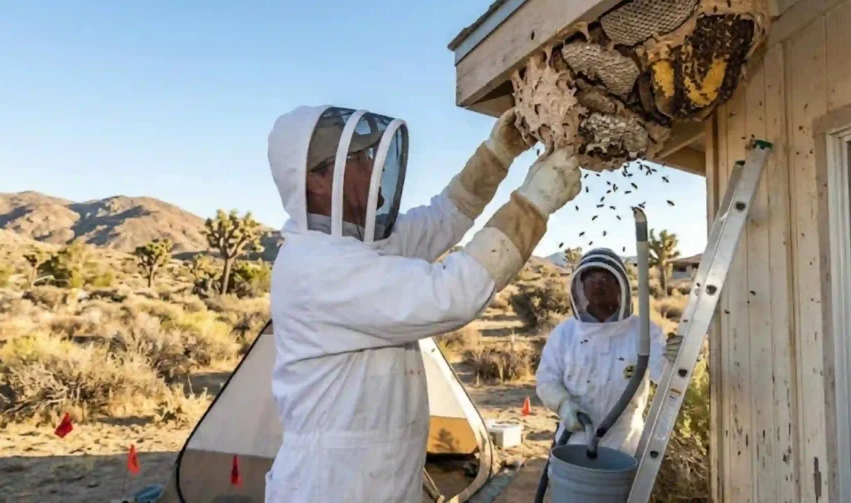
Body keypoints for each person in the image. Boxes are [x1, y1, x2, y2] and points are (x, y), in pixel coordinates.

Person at [264, 105, 582, 502]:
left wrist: (497, 154)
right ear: (317, 180)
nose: (373, 166)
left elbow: (442, 217)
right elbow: (452, 293)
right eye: (359, 158)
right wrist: (534, 204)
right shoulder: (317, 266)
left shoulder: (358, 244)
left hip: (378, 480)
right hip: (333, 487)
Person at [535, 248, 684, 456]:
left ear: (619, 285)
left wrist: (677, 360)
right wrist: (564, 405)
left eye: (605, 278)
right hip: (573, 445)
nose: (598, 285)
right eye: (591, 279)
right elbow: (546, 379)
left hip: (626, 448)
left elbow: (664, 377)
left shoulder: (645, 332)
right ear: (581, 287)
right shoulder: (564, 333)